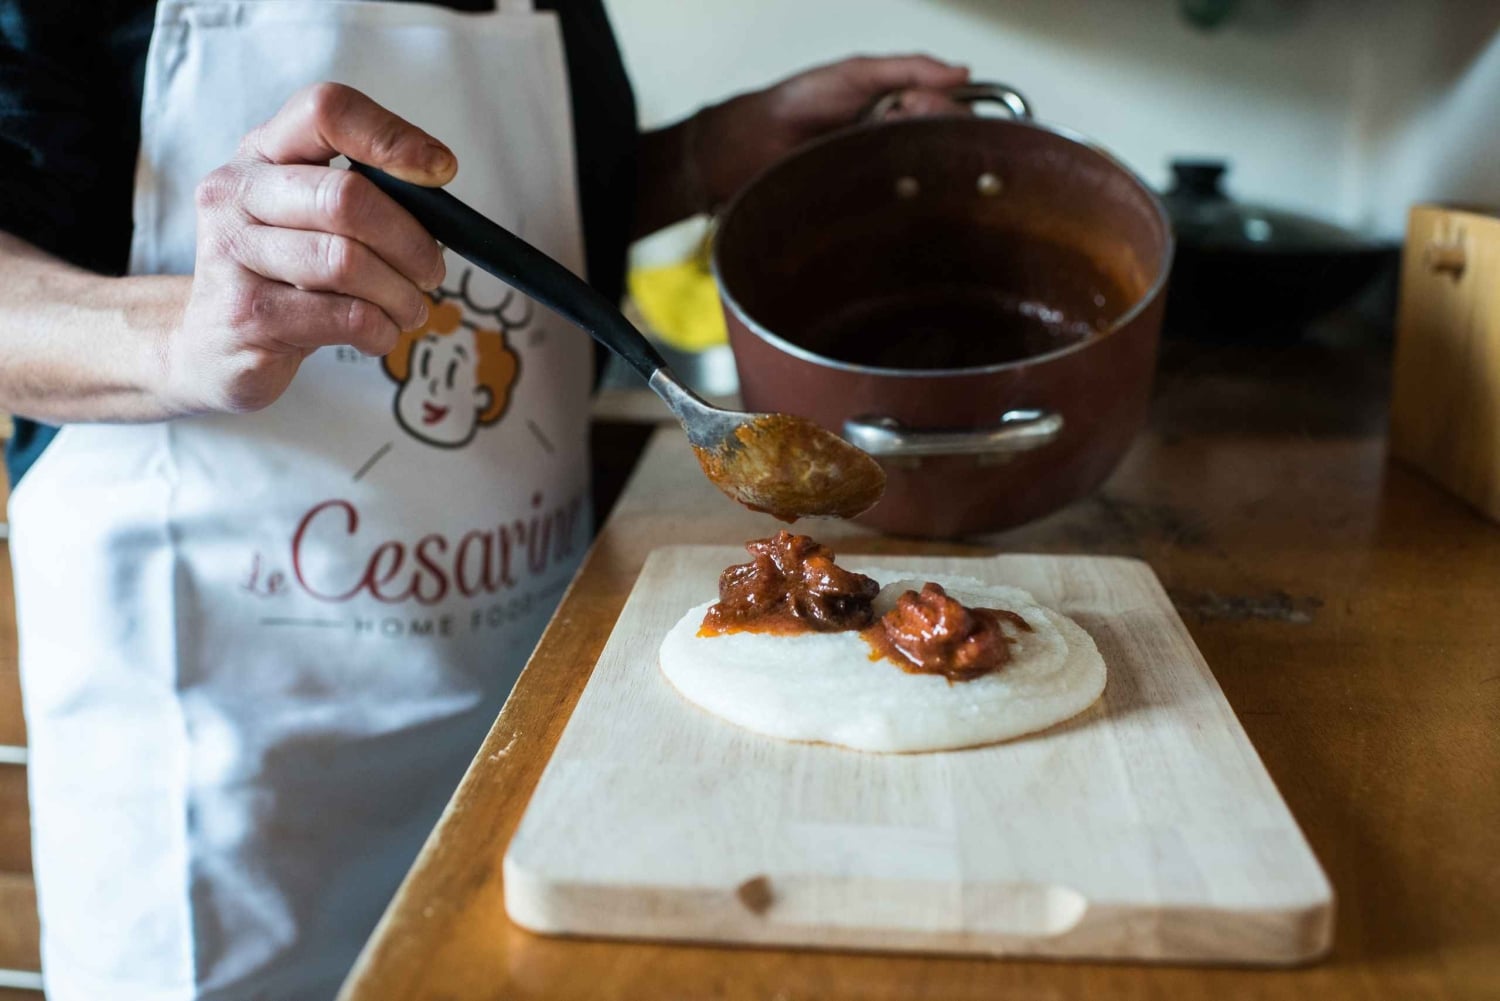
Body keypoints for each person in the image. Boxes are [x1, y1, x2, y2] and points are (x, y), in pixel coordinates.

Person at [0, 1, 967, 997]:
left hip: (531, 720)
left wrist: (706, 155)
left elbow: (520, 222)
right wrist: (179, 334)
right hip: (231, 789)